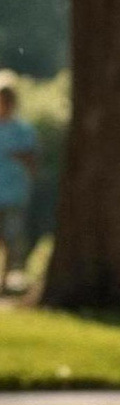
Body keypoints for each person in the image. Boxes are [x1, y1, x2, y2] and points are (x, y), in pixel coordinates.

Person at [0, 74, 39, 294]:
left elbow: (32, 160)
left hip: (13, 193)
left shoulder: (23, 130)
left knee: (11, 238)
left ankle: (6, 280)